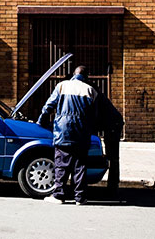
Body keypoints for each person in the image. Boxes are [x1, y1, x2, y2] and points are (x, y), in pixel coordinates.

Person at [37, 65, 98, 205]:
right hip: (82, 133)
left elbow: (48, 106)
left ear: (73, 74)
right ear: (86, 76)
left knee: (61, 164)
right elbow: (94, 116)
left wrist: (41, 121)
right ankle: (80, 198)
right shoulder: (91, 90)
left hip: (63, 131)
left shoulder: (62, 86)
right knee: (80, 166)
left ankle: (59, 195)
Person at [94, 89, 124, 196]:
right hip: (112, 122)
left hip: (112, 124)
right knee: (112, 156)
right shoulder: (93, 91)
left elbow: (95, 115)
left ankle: (113, 186)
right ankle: (113, 185)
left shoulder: (91, 92)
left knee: (113, 156)